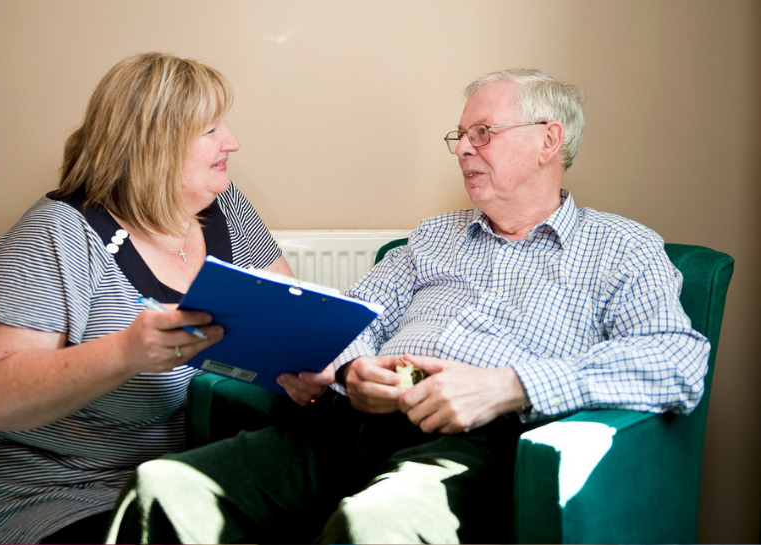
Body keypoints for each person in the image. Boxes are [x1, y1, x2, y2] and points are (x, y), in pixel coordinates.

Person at [106, 68, 710, 544]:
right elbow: (357, 313)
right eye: (461, 136)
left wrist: (510, 386)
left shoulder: (621, 248)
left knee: (378, 527)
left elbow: (675, 360)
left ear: (549, 140)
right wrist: (352, 370)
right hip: (347, 426)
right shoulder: (433, 237)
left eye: (483, 134)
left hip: (474, 444)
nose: (464, 150)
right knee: (165, 486)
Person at [0, 52, 293, 544]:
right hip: (56, 495)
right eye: (210, 130)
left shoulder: (224, 208)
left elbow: (284, 314)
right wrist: (127, 352)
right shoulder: (57, 234)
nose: (232, 142)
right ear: (152, 144)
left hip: (180, 479)